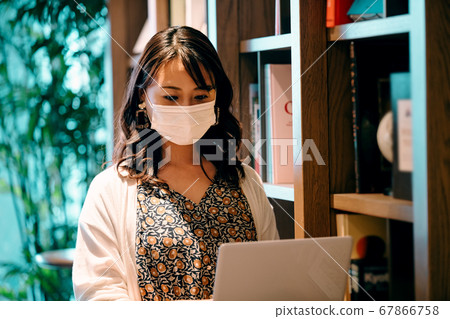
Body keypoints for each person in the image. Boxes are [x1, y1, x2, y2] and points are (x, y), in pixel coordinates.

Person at [72, 26, 279, 301]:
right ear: (143, 97)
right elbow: (99, 295)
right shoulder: (109, 190)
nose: (186, 109)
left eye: (200, 97)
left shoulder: (246, 182)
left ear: (216, 99)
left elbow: (273, 278)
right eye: (171, 97)